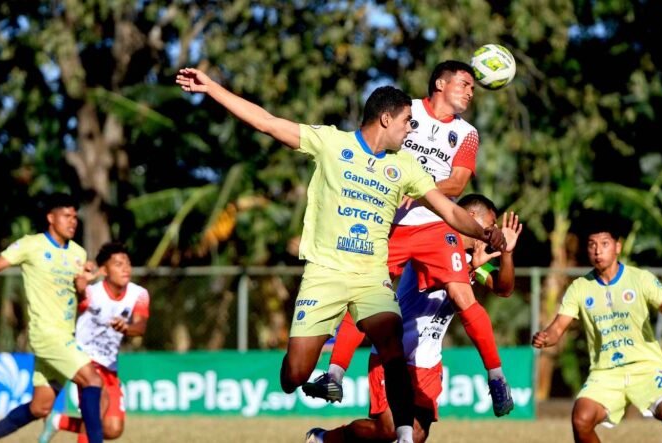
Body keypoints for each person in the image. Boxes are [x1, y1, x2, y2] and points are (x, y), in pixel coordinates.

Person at [175, 67, 506, 443]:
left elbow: (450, 211)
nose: (411, 130)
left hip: (372, 276)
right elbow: (267, 122)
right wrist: (213, 88)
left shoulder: (405, 166)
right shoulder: (331, 143)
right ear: (386, 119)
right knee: (295, 374)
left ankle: (403, 435)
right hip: (326, 273)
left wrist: (486, 233)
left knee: (392, 344)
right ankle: (311, 377)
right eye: (407, 122)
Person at [303, 60, 514, 417]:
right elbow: (371, 146)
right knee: (366, 295)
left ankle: (496, 378)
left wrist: (415, 190)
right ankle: (334, 375)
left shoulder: (467, 133)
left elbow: (458, 183)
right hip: (390, 226)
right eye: (464, 84)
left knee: (463, 295)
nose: (470, 91)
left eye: (473, 87)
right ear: (440, 83)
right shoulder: (406, 111)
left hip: (436, 226)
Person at [306, 194, 522, 443]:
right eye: (491, 224)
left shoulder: (473, 259)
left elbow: (503, 288)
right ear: (471, 217)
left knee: (418, 434)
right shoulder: (430, 240)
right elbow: (442, 282)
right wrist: (471, 267)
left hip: (428, 361)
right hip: (394, 351)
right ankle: (326, 438)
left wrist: (506, 253)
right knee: (388, 428)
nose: (493, 232)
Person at [531, 218, 662, 443]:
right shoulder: (579, 288)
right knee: (581, 419)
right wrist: (546, 337)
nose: (597, 250)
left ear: (617, 247)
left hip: (646, 368)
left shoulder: (640, 279)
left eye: (604, 244)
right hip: (605, 373)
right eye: (592, 245)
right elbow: (557, 328)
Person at [0, 193, 105, 443]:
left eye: (75, 217)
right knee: (92, 380)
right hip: (46, 334)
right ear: (51, 218)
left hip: (65, 335)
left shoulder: (78, 253)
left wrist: (83, 285)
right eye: (66, 216)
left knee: (40, 407)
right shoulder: (31, 245)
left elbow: (80, 297)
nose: (73, 221)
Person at [38, 242, 150, 443]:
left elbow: (140, 327)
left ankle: (58, 421)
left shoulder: (139, 294)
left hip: (110, 367)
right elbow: (79, 295)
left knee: (113, 430)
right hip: (84, 361)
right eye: (118, 264)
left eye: (127, 263)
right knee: (99, 404)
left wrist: (126, 327)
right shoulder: (92, 293)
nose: (125, 268)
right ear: (105, 270)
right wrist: (79, 285)